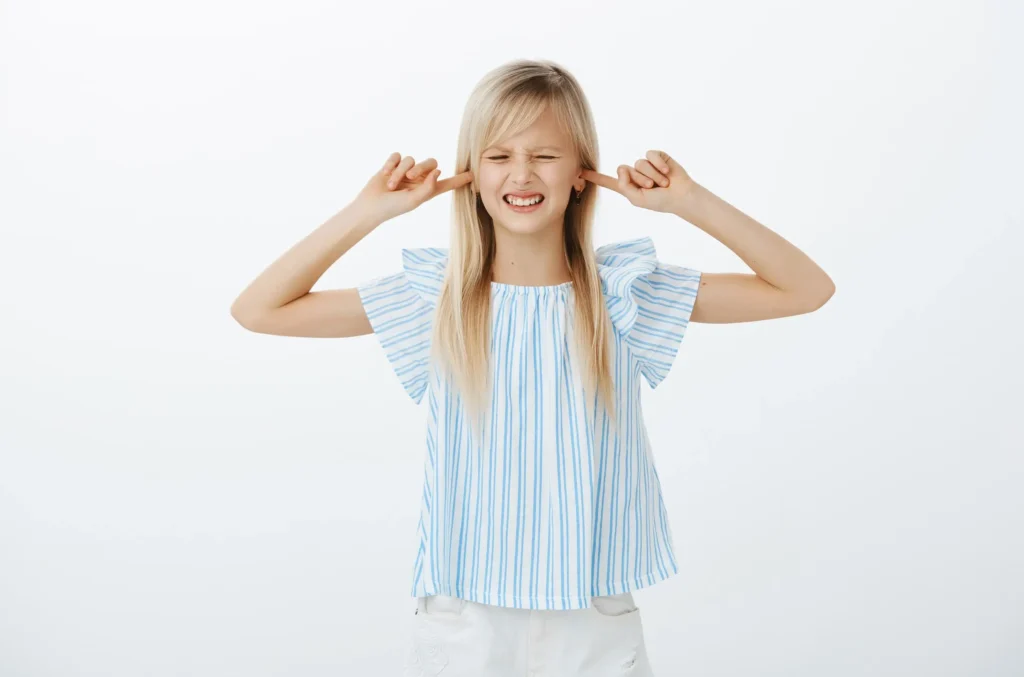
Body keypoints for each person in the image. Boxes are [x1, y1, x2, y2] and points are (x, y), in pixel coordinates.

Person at [230, 58, 834, 677]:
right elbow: (258, 309)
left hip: (592, 615)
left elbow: (805, 290)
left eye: (545, 155)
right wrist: (368, 213)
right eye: (498, 155)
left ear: (581, 173)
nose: (521, 173)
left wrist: (690, 202)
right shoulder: (436, 297)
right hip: (466, 616)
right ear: (470, 173)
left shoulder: (622, 294)